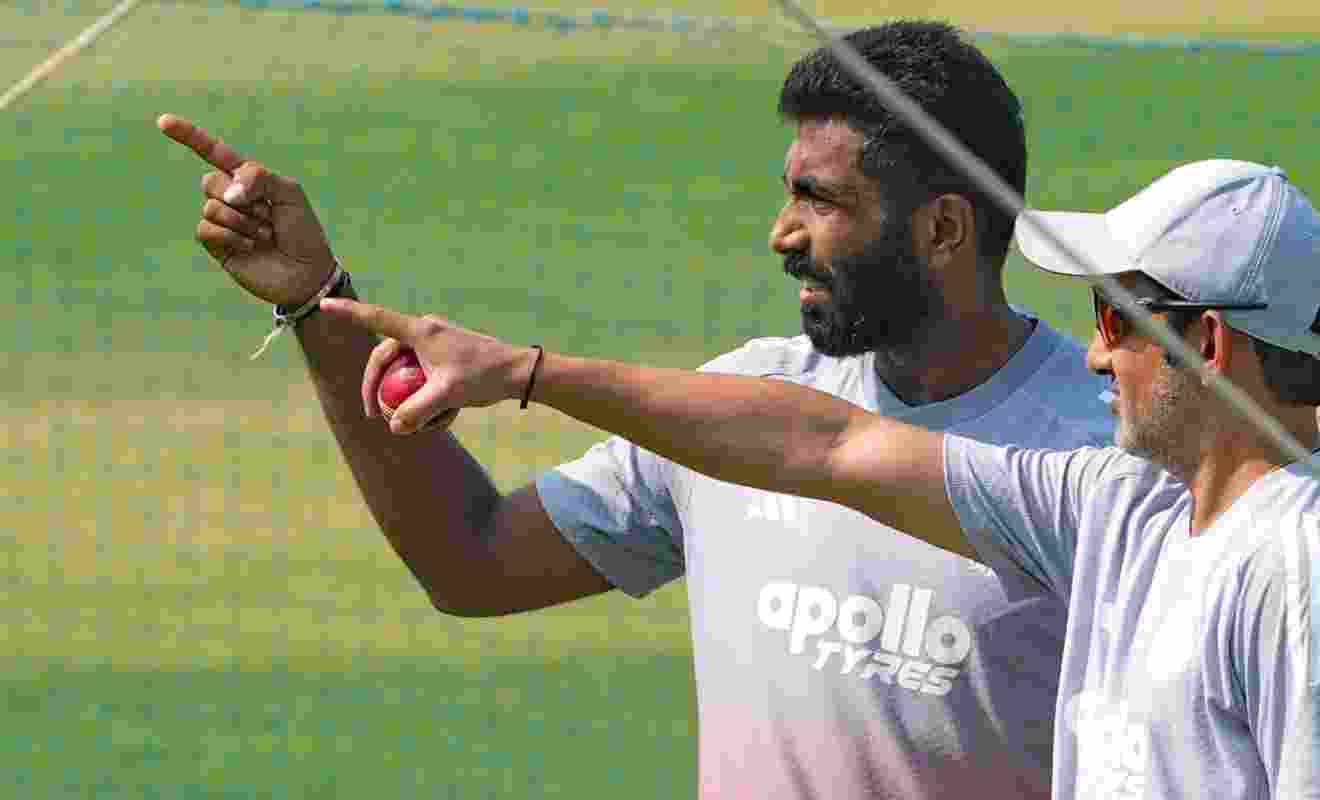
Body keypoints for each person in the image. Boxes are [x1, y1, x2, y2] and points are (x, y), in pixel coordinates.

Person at [159, 21, 1117, 799]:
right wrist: (317, 303)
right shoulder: (732, 403)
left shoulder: (1106, 455)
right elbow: (473, 557)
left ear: (942, 228)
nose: (780, 233)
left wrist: (525, 371)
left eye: (819, 200)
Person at [318, 159, 1320, 799]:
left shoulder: (1312, 576)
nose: (1096, 354)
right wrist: (527, 374)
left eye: (1114, 318)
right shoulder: (1121, 506)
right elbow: (824, 442)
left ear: (1210, 341)